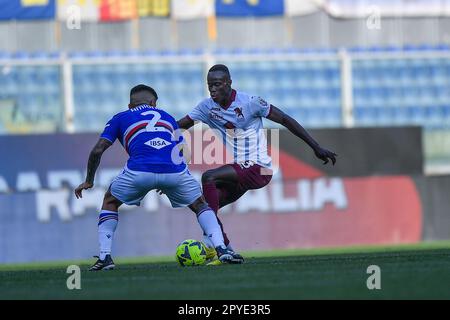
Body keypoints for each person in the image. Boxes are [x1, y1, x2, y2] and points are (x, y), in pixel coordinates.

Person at [74, 84, 244, 271]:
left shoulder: (121, 117)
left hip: (139, 171)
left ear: (130, 105)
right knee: (200, 204)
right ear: (154, 103)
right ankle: (221, 249)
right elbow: (184, 154)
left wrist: (89, 179)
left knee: (110, 201)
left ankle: (105, 257)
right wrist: (169, 177)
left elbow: (98, 149)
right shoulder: (168, 118)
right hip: (174, 170)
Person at [176, 64, 337, 260]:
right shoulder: (206, 107)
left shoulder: (251, 103)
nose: (212, 89)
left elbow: (285, 119)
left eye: (217, 84)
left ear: (229, 83)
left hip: (260, 168)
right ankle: (226, 250)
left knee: (209, 177)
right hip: (243, 172)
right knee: (205, 207)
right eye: (210, 85)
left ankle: (212, 242)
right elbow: (178, 126)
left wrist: (316, 147)